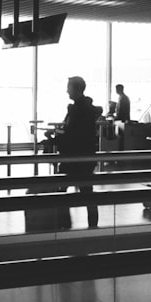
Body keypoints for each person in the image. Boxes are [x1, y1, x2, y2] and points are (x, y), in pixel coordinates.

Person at [51, 76, 101, 228]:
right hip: (85, 157)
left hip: (72, 157)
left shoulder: (76, 110)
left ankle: (63, 223)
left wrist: (55, 136)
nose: (67, 91)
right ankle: (92, 226)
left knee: (61, 190)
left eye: (69, 87)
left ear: (76, 89)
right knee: (87, 192)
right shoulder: (87, 110)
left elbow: (72, 133)